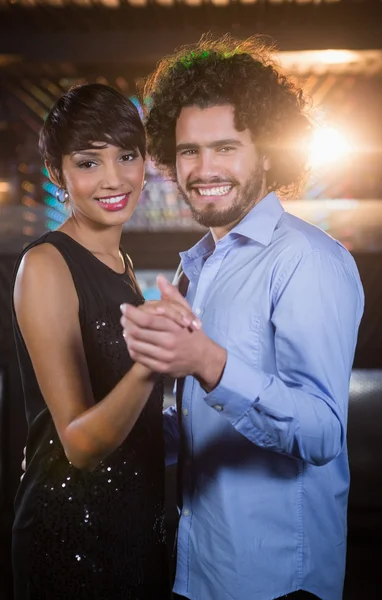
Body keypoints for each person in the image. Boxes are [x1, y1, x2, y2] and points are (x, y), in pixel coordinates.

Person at [120, 35, 365, 600]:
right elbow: (201, 427)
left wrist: (209, 363)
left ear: (269, 153)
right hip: (199, 569)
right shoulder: (199, 265)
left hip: (275, 582)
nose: (204, 169)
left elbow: (324, 431)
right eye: (188, 151)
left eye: (226, 147)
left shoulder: (308, 259)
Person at [11, 83, 175, 599]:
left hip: (135, 523)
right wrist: (152, 359)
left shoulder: (121, 266)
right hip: (72, 533)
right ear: (58, 174)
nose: (113, 179)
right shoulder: (45, 265)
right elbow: (79, 445)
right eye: (88, 162)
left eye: (126, 156)